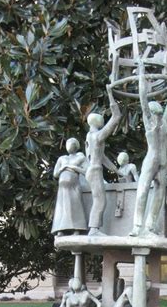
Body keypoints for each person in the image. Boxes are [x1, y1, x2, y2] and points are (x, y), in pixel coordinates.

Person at [131, 60, 167, 236]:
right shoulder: (149, 122)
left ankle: (150, 226)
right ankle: (137, 225)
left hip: (162, 163)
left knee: (159, 194)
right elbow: (143, 98)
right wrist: (141, 75)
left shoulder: (163, 122)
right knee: (142, 192)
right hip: (151, 160)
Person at [85, 85, 121, 235]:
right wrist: (111, 95)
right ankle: (94, 229)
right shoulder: (97, 136)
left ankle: (94, 229)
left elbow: (103, 158)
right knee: (100, 200)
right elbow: (116, 118)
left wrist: (116, 170)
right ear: (96, 122)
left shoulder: (90, 137)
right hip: (94, 170)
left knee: (99, 199)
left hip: (93, 169)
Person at [51, 138, 87, 236]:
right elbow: (55, 174)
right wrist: (63, 167)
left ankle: (77, 229)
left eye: (72, 143)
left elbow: (86, 171)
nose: (70, 145)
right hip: (62, 188)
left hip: (74, 185)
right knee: (62, 208)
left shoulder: (80, 157)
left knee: (75, 206)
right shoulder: (62, 158)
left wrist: (72, 167)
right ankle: (60, 229)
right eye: (68, 143)